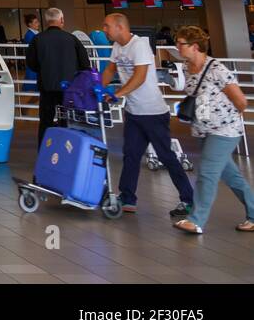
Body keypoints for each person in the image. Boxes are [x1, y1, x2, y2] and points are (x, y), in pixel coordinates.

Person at [98, 12, 193, 216]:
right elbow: (109, 70)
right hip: (133, 111)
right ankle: (128, 198)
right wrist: (95, 88)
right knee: (131, 154)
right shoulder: (117, 47)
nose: (104, 29)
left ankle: (189, 200)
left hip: (153, 112)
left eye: (107, 26)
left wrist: (117, 94)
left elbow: (140, 77)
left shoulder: (139, 45)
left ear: (120, 27)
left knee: (166, 156)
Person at [170, 26, 254, 235]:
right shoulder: (189, 67)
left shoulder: (217, 69)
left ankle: (196, 220)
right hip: (203, 131)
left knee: (207, 172)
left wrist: (224, 118)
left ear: (195, 46)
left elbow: (241, 101)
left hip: (224, 131)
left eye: (181, 43)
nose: (177, 47)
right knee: (233, 177)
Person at [25, 6, 92, 141]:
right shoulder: (72, 39)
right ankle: (65, 150)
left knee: (45, 120)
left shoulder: (38, 39)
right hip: (69, 88)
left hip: (47, 86)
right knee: (67, 119)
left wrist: (43, 70)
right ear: (61, 20)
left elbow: (31, 62)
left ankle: (44, 152)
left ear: (47, 20)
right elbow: (85, 63)